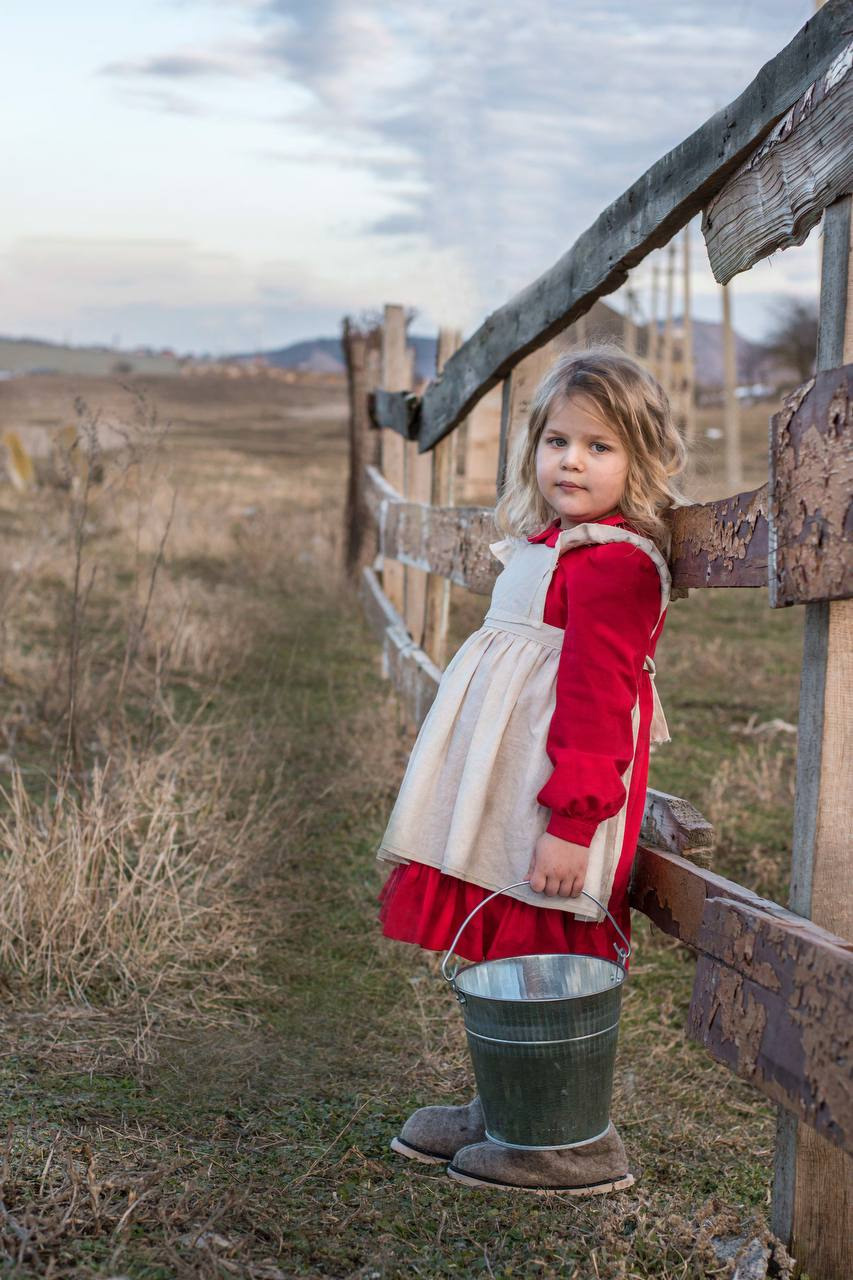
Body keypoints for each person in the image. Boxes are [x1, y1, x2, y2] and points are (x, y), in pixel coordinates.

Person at [375, 343, 687, 1193]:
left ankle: (567, 1141)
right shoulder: (552, 545)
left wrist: (573, 825)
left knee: (545, 950)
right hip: (513, 793)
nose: (571, 461)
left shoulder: (616, 564)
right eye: (557, 442)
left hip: (557, 805)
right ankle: (504, 1104)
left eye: (598, 447)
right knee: (505, 949)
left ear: (641, 458)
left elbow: (596, 702)